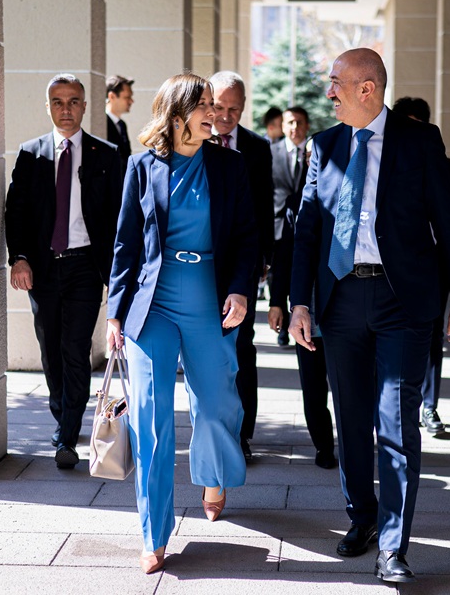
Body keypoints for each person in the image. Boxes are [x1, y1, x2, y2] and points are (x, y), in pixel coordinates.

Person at [289, 48, 450, 584]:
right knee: (350, 419)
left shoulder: (420, 141)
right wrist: (299, 302)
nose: (329, 93)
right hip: (341, 299)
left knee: (395, 423)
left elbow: (447, 220)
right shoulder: (323, 146)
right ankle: (362, 517)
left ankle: (393, 548)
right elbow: (307, 230)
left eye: (336, 83)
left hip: (402, 300)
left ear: (367, 88)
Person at [105, 72, 257, 574]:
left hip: (210, 300)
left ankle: (213, 475)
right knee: (150, 419)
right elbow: (126, 244)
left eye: (215, 105)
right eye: (205, 105)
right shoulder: (141, 166)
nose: (215, 113)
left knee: (215, 405)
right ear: (177, 115)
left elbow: (247, 238)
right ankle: (154, 534)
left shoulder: (229, 166)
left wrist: (240, 289)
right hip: (153, 304)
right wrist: (115, 313)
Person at [5, 73, 122, 470]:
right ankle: (63, 416)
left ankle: (67, 436)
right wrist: (19, 257)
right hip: (42, 269)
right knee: (50, 349)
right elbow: (16, 211)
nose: (66, 109)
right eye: (58, 102)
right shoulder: (31, 154)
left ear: (85, 106)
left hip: (85, 266)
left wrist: (119, 273)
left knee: (75, 348)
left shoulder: (106, 155)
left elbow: (119, 216)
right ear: (48, 107)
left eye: (74, 101)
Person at [267, 109, 338, 470]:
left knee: (348, 384)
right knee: (313, 386)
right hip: (307, 309)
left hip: (342, 308)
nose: (314, 162)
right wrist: (279, 301)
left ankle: (353, 441)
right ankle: (324, 445)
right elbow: (286, 258)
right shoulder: (297, 205)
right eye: (310, 157)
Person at [210, 70, 275, 462]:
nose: (225, 116)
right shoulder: (194, 140)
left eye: (234, 109)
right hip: (201, 266)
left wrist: (263, 258)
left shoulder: (256, 147)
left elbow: (264, 207)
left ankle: (242, 433)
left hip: (242, 266)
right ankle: (211, 429)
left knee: (241, 348)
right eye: (219, 107)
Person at [392, 95, 447, 435]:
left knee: (431, 339)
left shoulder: (439, 161)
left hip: (431, 269)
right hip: (393, 271)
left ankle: (430, 406)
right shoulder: (385, 165)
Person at [269, 106, 310, 348]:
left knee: (297, 273)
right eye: (290, 123)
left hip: (304, 224)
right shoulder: (270, 152)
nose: (295, 127)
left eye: (299, 122)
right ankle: (282, 324)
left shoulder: (315, 152)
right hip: (277, 225)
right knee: (277, 274)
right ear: (283, 126)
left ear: (306, 126)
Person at [105, 74, 135, 163]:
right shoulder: (102, 124)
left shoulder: (122, 125)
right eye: (127, 97)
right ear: (112, 96)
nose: (131, 101)